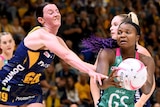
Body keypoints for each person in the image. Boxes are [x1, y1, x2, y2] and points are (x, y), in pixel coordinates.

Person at [0, 2, 106, 107]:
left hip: (31, 87)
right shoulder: (41, 34)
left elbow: (76, 61)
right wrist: (90, 72)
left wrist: (98, 69)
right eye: (50, 12)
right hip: (10, 83)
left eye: (57, 11)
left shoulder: (58, 40)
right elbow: (67, 57)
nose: (56, 14)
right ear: (41, 20)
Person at [84, 12, 156, 107]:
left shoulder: (142, 52)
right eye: (111, 25)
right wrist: (97, 102)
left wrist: (140, 103)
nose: (111, 28)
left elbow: (151, 84)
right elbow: (95, 78)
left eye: (115, 25)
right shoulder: (106, 51)